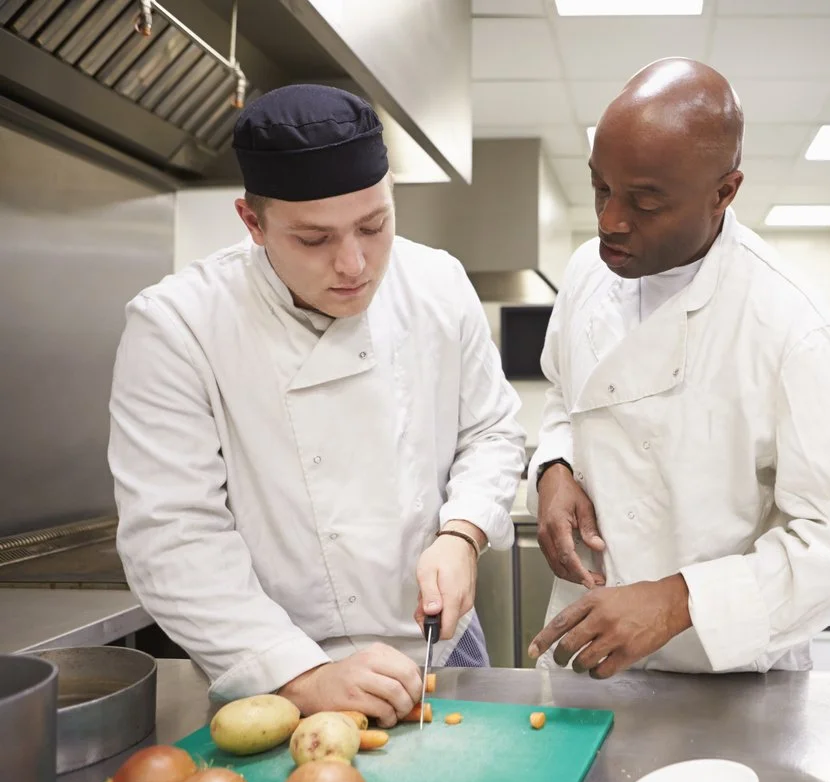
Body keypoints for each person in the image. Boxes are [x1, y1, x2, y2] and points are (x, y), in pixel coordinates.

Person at [107, 84, 526, 726]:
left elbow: (492, 431)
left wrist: (462, 532)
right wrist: (300, 674)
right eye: (313, 240)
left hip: (442, 643)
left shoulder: (437, 284)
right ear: (253, 224)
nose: (354, 264)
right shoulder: (178, 325)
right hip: (277, 659)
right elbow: (172, 533)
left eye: (374, 225)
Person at [524, 58, 830, 679]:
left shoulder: (793, 324)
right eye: (600, 188)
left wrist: (677, 600)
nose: (610, 220)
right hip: (584, 653)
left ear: (724, 193)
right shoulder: (590, 270)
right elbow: (565, 392)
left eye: (644, 201)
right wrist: (555, 468)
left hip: (727, 673)